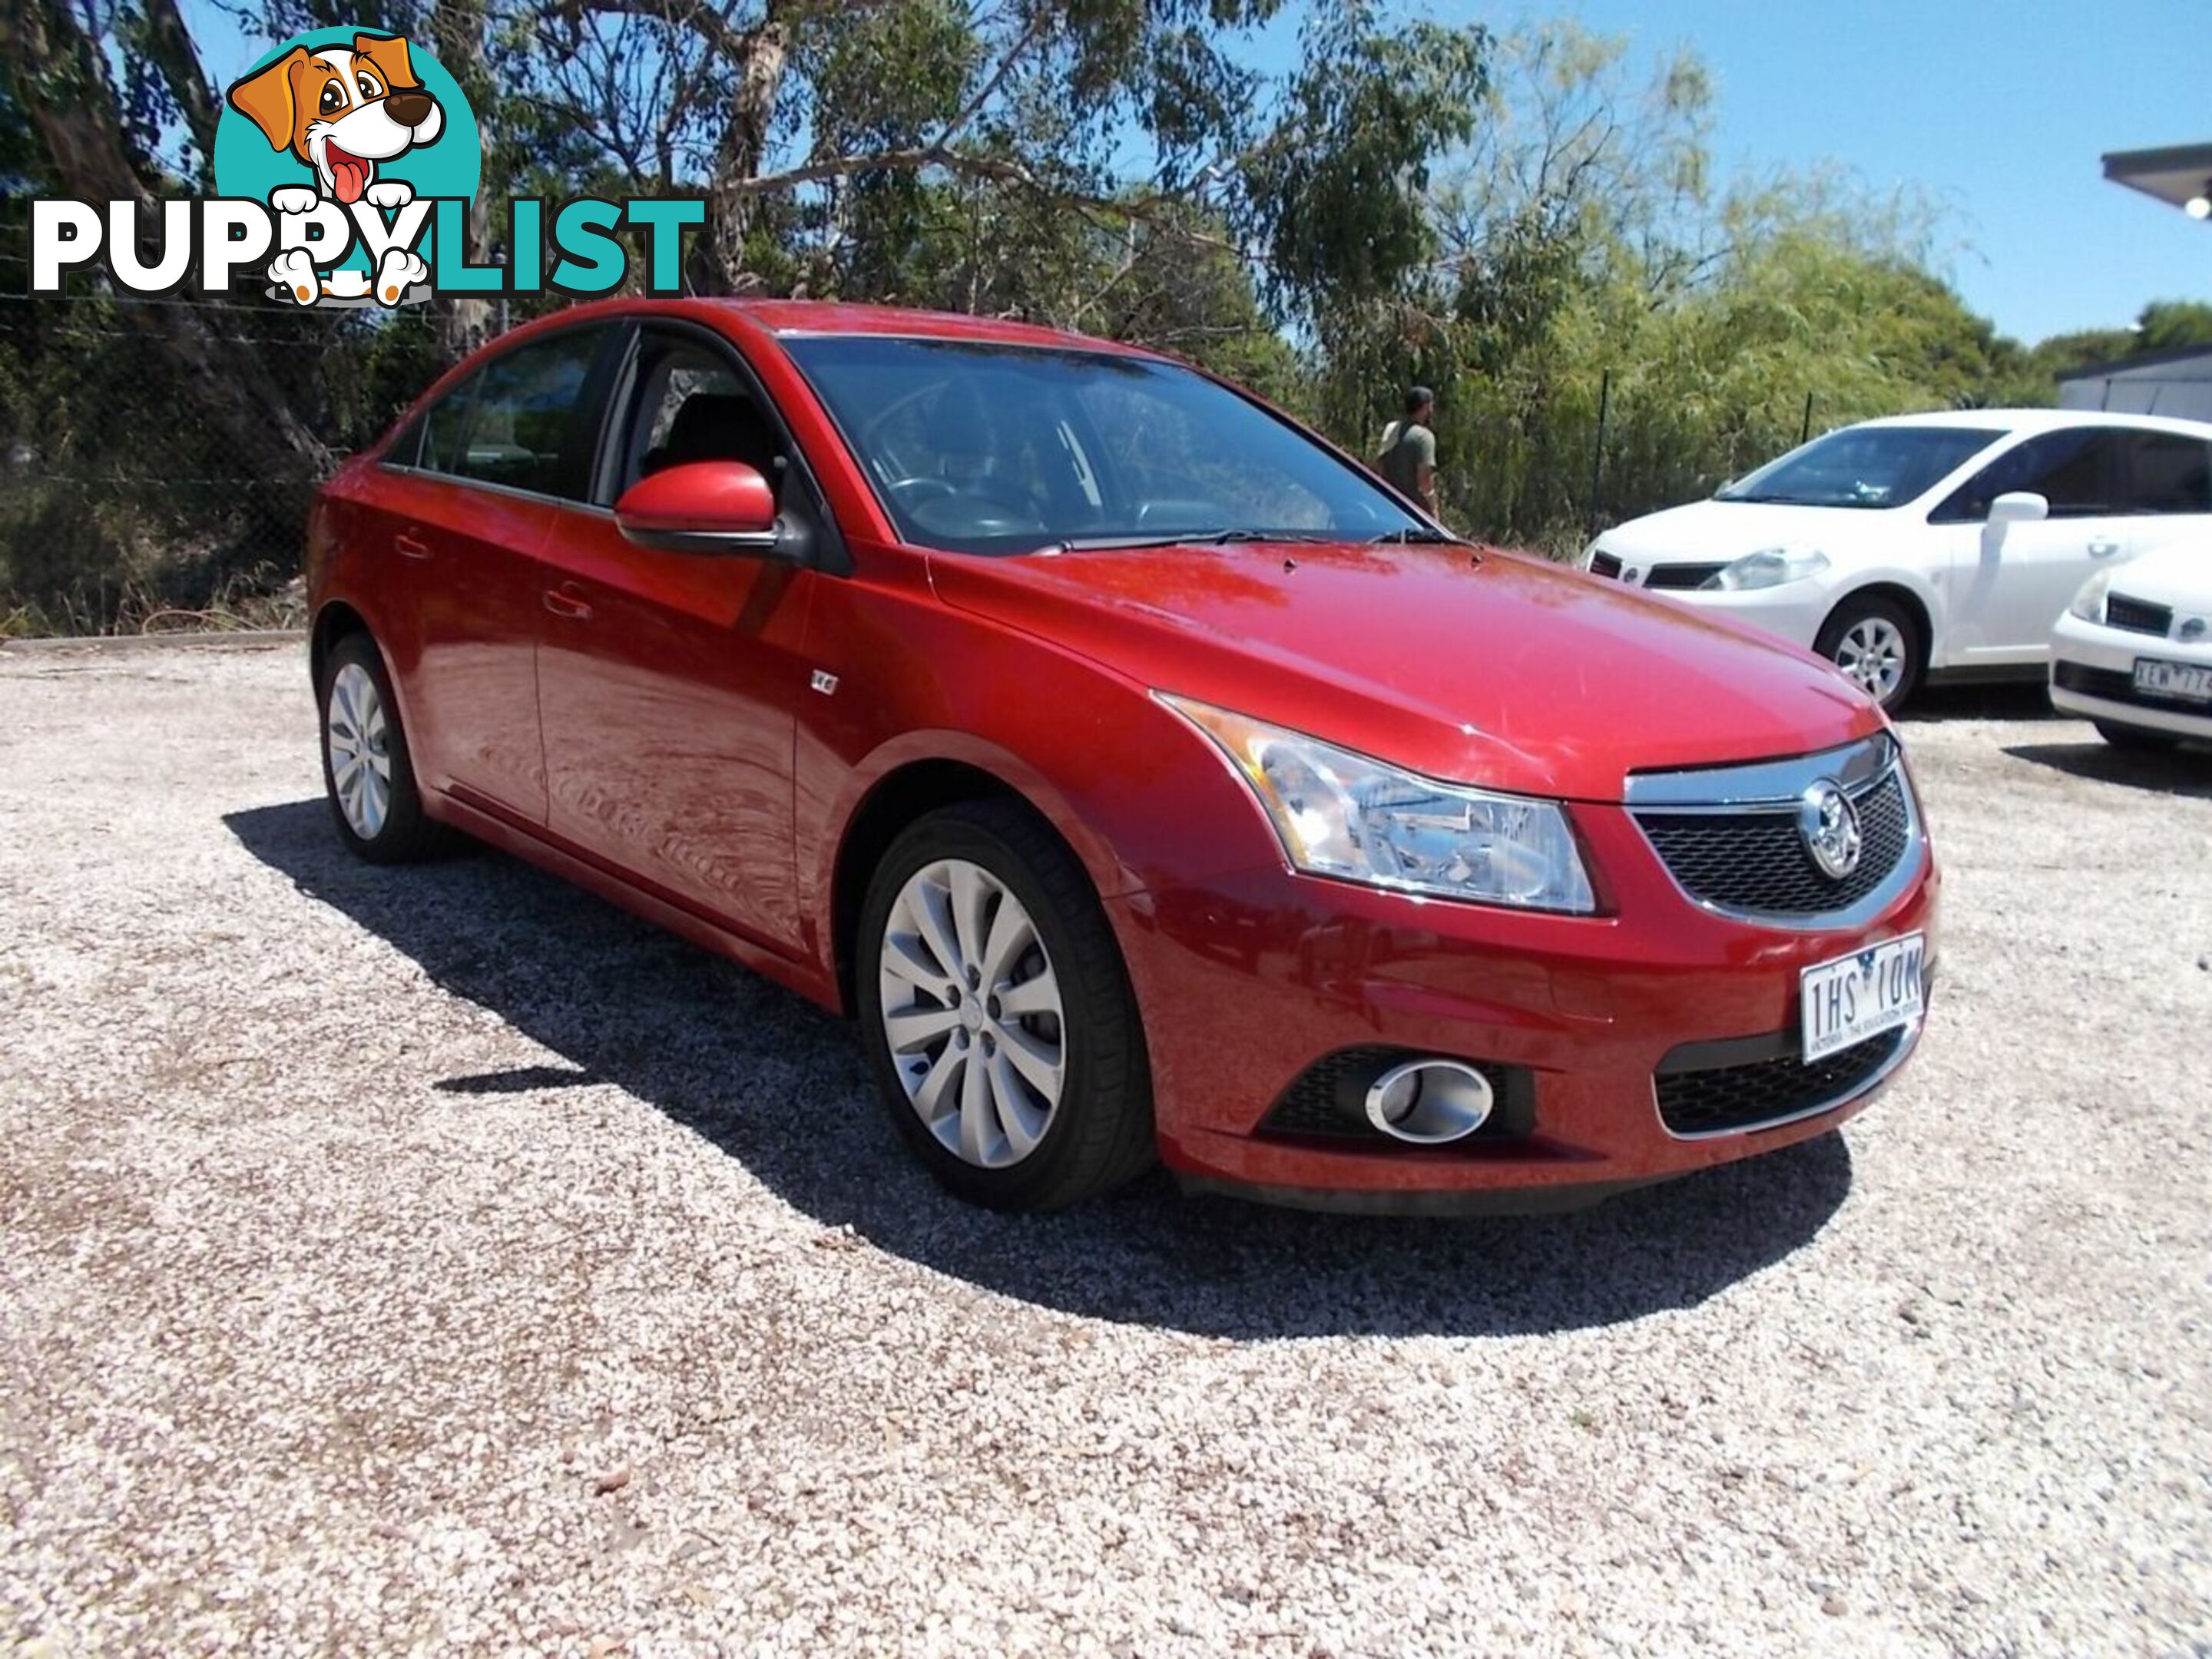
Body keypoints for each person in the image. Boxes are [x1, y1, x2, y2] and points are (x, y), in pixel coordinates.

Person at [1376, 386, 1438, 513]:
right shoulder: (1424, 437)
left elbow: (1380, 467)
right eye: (1431, 406)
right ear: (1425, 407)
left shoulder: (1391, 429)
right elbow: (1424, 482)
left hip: (1386, 505)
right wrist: (1433, 509)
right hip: (1412, 512)